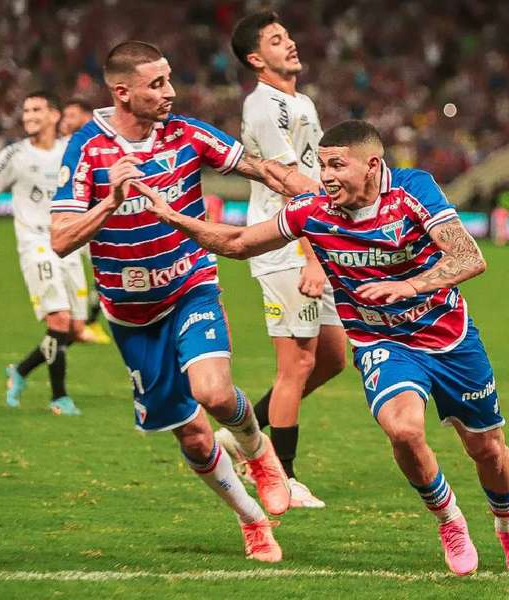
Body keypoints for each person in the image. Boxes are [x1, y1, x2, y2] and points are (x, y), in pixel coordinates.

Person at [137, 120, 509, 576]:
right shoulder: (312, 211)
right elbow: (238, 242)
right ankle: (449, 520)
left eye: (336, 165)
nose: (325, 176)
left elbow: (470, 256)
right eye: (320, 165)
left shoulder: (412, 190)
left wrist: (409, 285)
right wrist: (173, 218)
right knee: (403, 429)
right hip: (381, 341)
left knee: (486, 448)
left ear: (372, 165)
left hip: (449, 338)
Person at [49, 41, 319, 563]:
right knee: (194, 439)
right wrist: (109, 203)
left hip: (189, 286)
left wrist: (316, 191)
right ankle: (252, 521)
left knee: (214, 393)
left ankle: (259, 452)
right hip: (131, 317)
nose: (170, 92)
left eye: (169, 79)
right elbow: (60, 239)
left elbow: (261, 168)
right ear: (121, 92)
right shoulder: (88, 147)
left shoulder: (187, 133)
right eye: (156, 84)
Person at [222, 11, 347, 508]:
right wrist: (314, 258)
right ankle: (281, 474)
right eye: (277, 40)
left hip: (315, 243)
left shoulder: (301, 102)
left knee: (334, 357)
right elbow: (295, 192)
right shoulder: (263, 106)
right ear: (257, 59)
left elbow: (318, 181)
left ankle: (242, 434)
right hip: (286, 248)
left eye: (289, 35)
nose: (291, 43)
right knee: (296, 364)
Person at [0, 91, 84, 416]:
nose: (29, 116)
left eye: (36, 109)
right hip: (36, 245)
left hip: (70, 245)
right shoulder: (14, 155)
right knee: (59, 320)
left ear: (54, 115)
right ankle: (59, 398)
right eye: (25, 110)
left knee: (75, 328)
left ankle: (20, 370)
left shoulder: (70, 151)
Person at [57, 98, 111, 345]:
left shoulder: (99, 145)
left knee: (107, 272)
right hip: (67, 224)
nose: (64, 121)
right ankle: (74, 323)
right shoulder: (62, 147)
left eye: (70, 115)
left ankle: (87, 321)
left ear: (87, 116)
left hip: (95, 223)